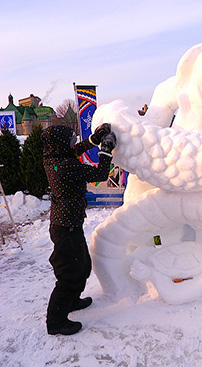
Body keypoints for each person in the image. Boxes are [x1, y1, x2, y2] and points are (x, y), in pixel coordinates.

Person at [42, 123, 116, 336]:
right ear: (60, 145)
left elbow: (74, 151)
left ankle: (72, 301)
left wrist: (94, 139)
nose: (74, 143)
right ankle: (55, 322)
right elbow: (101, 174)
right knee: (69, 275)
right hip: (66, 229)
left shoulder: (53, 158)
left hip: (67, 226)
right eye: (70, 140)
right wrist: (106, 149)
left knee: (82, 266)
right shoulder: (65, 166)